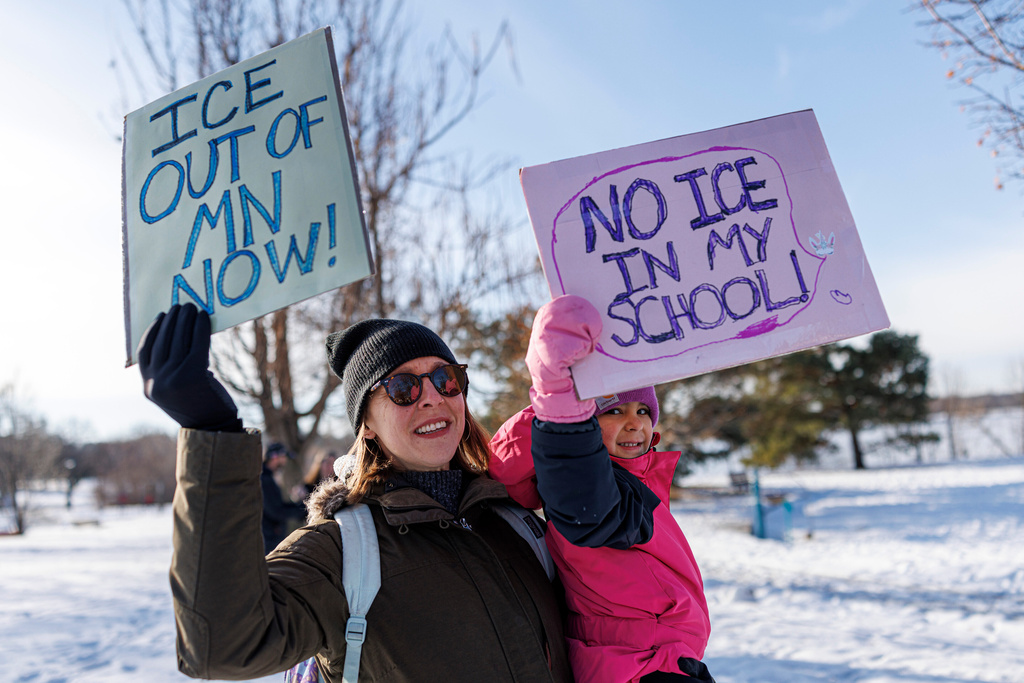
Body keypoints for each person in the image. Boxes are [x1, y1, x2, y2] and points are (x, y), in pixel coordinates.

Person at [137, 303, 573, 682]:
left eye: (446, 379)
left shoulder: (516, 520)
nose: (432, 398)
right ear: (366, 424)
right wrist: (212, 432)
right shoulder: (342, 551)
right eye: (403, 388)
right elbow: (222, 644)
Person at [488, 295, 715, 683]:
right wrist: (558, 391)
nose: (634, 424)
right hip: (638, 664)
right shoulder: (587, 483)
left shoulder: (636, 476)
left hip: (662, 657)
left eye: (642, 411)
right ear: (583, 422)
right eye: (614, 410)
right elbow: (587, 501)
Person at [260, 441, 307, 553]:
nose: (285, 461)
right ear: (275, 457)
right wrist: (302, 510)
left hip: (270, 536)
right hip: (267, 539)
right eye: (284, 457)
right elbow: (275, 511)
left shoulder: (269, 477)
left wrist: (300, 506)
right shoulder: (264, 479)